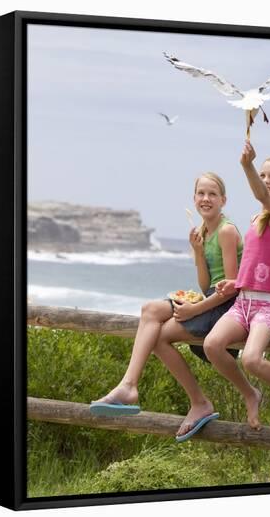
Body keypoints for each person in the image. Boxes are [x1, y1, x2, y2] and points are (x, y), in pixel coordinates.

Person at [90, 172, 243, 441]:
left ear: (223, 200)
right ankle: (128, 385)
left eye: (212, 194)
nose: (205, 199)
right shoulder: (203, 232)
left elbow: (230, 288)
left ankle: (199, 402)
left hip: (226, 308)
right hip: (207, 299)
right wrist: (197, 252)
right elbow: (206, 282)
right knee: (150, 309)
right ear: (194, 198)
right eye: (200, 194)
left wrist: (194, 310)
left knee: (159, 338)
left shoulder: (227, 231)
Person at [203, 140, 270, 431]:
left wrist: (247, 165)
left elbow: (261, 195)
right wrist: (235, 282)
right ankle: (250, 393)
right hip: (243, 301)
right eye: (263, 174)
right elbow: (254, 265)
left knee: (252, 359)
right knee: (212, 345)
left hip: (267, 307)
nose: (266, 180)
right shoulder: (256, 218)